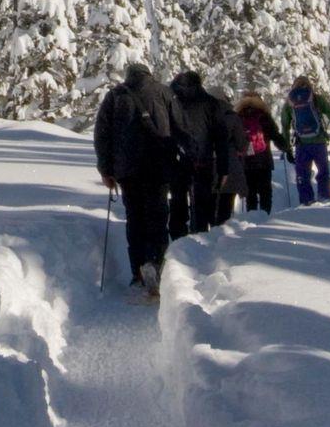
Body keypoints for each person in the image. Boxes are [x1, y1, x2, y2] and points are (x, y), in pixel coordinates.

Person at [93, 62, 186, 293]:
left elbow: (102, 135)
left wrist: (106, 170)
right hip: (159, 167)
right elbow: (180, 127)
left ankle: (138, 271)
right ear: (148, 74)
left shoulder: (115, 96)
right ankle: (156, 263)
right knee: (158, 217)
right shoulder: (164, 92)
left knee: (135, 218)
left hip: (128, 170)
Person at [168, 70, 230, 239]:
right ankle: (200, 238)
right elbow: (221, 138)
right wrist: (223, 169)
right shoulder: (210, 103)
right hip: (203, 160)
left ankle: (178, 240)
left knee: (178, 201)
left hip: (176, 161)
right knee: (201, 203)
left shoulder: (170, 102)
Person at [280, 77, 330, 206]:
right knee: (323, 172)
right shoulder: (316, 99)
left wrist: (287, 148)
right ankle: (325, 198)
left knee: (302, 175)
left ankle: (307, 201)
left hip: (301, 144)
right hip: (319, 142)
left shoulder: (290, 103)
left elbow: (285, 126)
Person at [226, 92, 286, 217]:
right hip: (264, 160)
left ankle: (251, 218)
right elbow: (275, 135)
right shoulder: (263, 116)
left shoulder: (238, 117)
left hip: (246, 162)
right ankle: (266, 217)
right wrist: (285, 148)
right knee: (265, 192)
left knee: (250, 193)